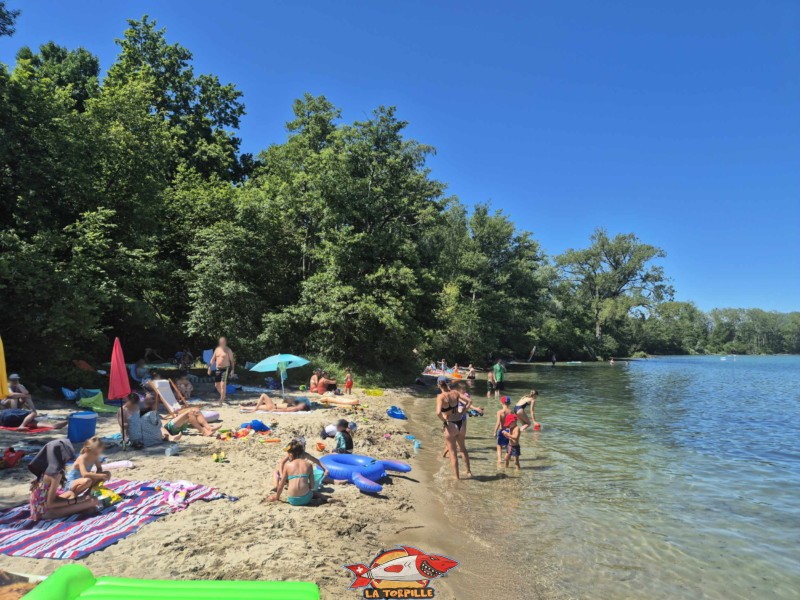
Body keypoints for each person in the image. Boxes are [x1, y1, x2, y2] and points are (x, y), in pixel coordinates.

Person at [28, 440, 100, 521]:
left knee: (70, 493)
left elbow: (48, 497)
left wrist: (75, 501)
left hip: (38, 508)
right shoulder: (55, 475)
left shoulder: (45, 467)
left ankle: (81, 508)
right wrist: (78, 500)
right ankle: (81, 508)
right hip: (43, 513)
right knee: (93, 501)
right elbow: (50, 504)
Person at [436, 378, 472, 479]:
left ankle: (457, 478)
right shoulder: (455, 392)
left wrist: (444, 421)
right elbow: (469, 401)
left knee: (452, 453)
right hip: (461, 422)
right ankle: (468, 471)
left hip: (451, 423)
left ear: (438, 385)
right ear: (447, 384)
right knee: (463, 449)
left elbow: (438, 413)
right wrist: (464, 411)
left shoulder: (441, 397)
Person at [268, 439, 316, 506]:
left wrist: (277, 497)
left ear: (290, 454)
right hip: (306, 500)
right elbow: (312, 486)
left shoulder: (288, 466)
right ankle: (324, 498)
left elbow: (281, 486)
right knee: (312, 491)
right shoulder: (309, 465)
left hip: (292, 500)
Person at [209, 337, 235, 405]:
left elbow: (232, 361)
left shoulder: (228, 350)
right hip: (218, 368)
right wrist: (209, 368)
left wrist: (232, 370)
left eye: (223, 341)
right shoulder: (217, 349)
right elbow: (212, 359)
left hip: (225, 368)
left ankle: (221, 399)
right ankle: (223, 396)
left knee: (223, 385)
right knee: (217, 385)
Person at [0, 408, 65, 430]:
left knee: (31, 422)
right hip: (6, 416)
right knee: (33, 413)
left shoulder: (27, 418)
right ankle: (22, 426)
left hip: (4, 422)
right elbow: (32, 414)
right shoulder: (25, 413)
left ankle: (52, 426)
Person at [493, 396, 513, 467]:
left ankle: (499, 460)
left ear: (501, 402)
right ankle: (508, 458)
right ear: (509, 403)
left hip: (502, 431)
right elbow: (512, 422)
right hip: (509, 431)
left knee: (499, 446)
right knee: (509, 446)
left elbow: (498, 423)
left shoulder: (499, 412)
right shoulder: (510, 412)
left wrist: (495, 431)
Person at [242, 393, 312, 413]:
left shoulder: (295, 408)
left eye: (302, 404)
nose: (301, 403)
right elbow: (286, 406)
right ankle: (245, 408)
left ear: (302, 407)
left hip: (273, 407)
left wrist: (276, 410)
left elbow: (285, 410)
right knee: (260, 406)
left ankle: (253, 409)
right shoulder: (295, 406)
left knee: (263, 395)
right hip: (273, 406)